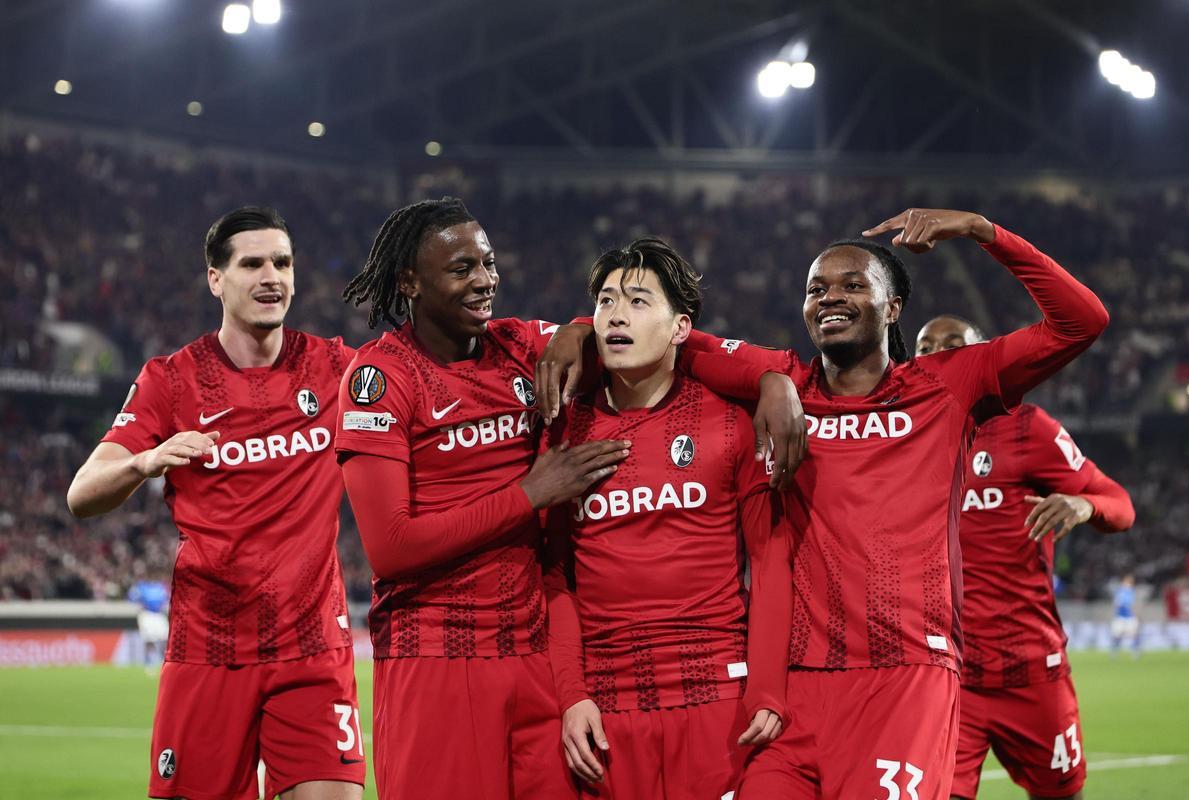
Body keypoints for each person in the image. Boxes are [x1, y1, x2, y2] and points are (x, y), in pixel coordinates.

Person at [656, 208, 1109, 799]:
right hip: (794, 688)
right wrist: (580, 330)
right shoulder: (784, 379)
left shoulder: (948, 385)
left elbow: (1082, 322)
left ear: (893, 307)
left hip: (905, 677)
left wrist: (983, 231)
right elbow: (672, 335)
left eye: (852, 285)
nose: (830, 297)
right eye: (816, 288)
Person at [335, 197, 632, 800]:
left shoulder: (521, 344)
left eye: (489, 263)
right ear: (410, 282)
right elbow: (390, 548)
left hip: (534, 652)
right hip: (436, 655)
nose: (485, 280)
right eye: (462, 268)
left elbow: (653, 335)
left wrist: (579, 328)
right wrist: (530, 494)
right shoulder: (381, 378)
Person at [66, 207, 364, 800]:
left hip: (312, 648)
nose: (271, 276)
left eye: (282, 262)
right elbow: (81, 495)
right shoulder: (170, 380)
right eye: (251, 263)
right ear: (215, 278)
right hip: (208, 649)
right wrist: (144, 462)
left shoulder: (337, 368)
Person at [543, 238, 797, 799]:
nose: (616, 315)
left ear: (681, 328)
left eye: (637, 302)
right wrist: (571, 695)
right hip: (607, 714)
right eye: (606, 301)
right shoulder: (564, 431)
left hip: (719, 702)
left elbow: (770, 560)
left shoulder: (732, 422)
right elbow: (554, 575)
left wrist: (767, 689)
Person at [915, 314, 1136, 800]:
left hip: (1031, 670)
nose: (939, 354)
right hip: (950, 674)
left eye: (954, 344)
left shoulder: (1027, 429)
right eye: (926, 347)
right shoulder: (903, 438)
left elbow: (1120, 505)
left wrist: (1085, 504)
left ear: (983, 358)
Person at [128, 573, 170, 669]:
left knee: (165, 638)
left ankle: (164, 660)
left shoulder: (161, 587)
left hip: (159, 615)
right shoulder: (142, 586)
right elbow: (131, 597)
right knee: (148, 639)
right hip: (147, 614)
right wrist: (140, 604)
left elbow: (167, 598)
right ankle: (148, 661)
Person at [1111, 574, 1140, 657]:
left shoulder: (1132, 592)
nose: (1128, 584)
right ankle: (1115, 652)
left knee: (1134, 634)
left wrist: (1136, 614)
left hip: (1130, 617)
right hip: (1120, 617)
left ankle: (1135, 652)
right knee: (1117, 635)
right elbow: (1117, 604)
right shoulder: (1120, 592)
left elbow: (1134, 605)